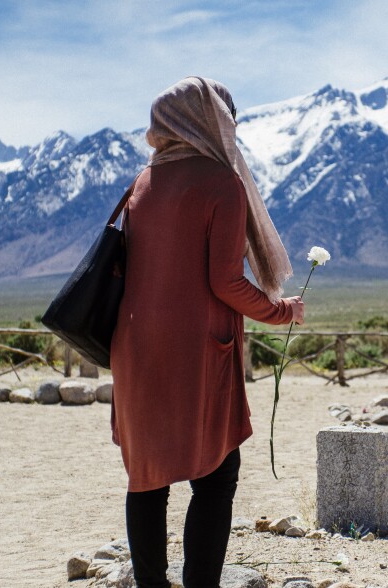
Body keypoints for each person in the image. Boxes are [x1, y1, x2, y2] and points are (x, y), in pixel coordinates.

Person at [110, 77, 305, 588]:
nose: (232, 130)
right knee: (216, 477)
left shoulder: (141, 184)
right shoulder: (222, 183)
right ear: (204, 121)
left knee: (146, 478)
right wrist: (280, 310)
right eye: (227, 118)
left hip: (135, 352)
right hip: (197, 354)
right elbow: (224, 281)